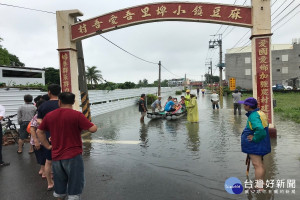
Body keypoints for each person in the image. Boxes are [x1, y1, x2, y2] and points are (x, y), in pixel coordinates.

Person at [37, 92, 97, 200]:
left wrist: (47, 146)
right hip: (73, 156)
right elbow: (93, 129)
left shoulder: (50, 115)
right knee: (75, 182)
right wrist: (94, 125)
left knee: (59, 182)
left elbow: (39, 131)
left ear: (59, 101)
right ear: (73, 102)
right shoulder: (77, 115)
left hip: (56, 155)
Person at [239, 97, 271, 190]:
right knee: (260, 164)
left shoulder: (253, 116)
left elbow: (260, 130)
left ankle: (259, 186)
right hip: (261, 143)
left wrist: (254, 138)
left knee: (257, 165)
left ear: (248, 106)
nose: (243, 106)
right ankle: (261, 182)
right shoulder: (260, 113)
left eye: (244, 104)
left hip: (255, 145)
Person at [37, 84, 61, 191]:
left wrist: (47, 127)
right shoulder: (63, 104)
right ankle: (64, 180)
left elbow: (39, 121)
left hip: (48, 136)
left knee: (48, 161)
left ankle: (50, 183)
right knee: (64, 159)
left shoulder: (43, 106)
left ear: (49, 92)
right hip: (62, 135)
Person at [30, 99, 46, 178]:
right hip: (38, 141)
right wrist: (36, 141)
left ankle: (42, 169)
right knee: (42, 157)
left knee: (43, 157)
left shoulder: (45, 115)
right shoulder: (37, 117)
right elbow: (32, 129)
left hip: (44, 141)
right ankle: (44, 172)